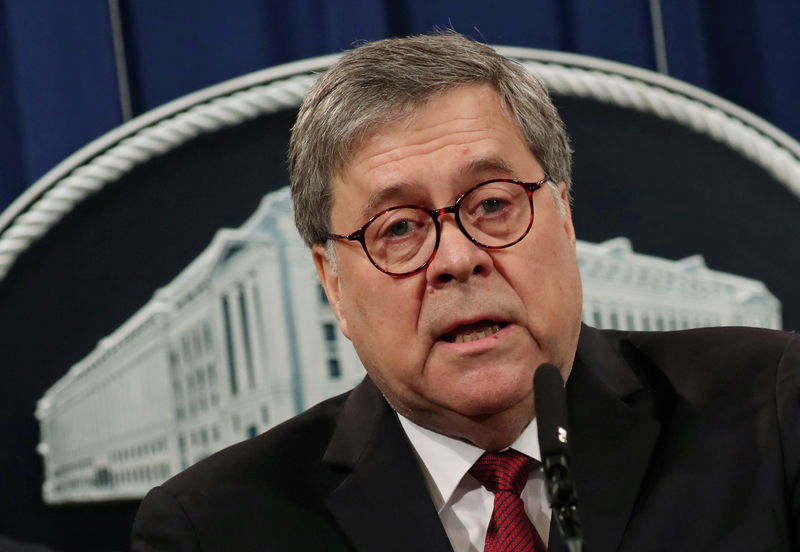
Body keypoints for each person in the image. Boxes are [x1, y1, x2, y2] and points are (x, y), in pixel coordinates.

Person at [131, 32, 800, 551]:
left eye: (492, 204)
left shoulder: (770, 407)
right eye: (398, 228)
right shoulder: (216, 528)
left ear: (563, 217)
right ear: (331, 281)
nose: (458, 258)